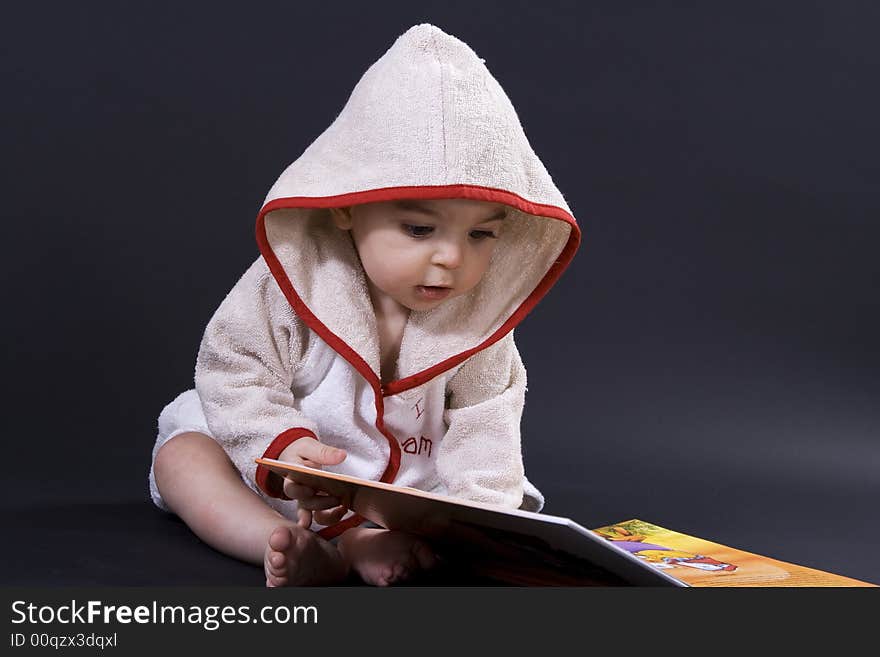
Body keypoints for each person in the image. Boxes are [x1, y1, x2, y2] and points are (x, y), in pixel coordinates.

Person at [148, 23, 580, 586]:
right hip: (289, 474)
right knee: (183, 459)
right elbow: (236, 367)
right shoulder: (296, 282)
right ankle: (294, 546)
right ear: (346, 207)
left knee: (472, 512)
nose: (451, 258)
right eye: (420, 228)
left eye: (481, 235)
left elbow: (486, 424)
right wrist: (282, 446)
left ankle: (372, 540)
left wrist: (482, 518)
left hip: (402, 491)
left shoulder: (480, 323)